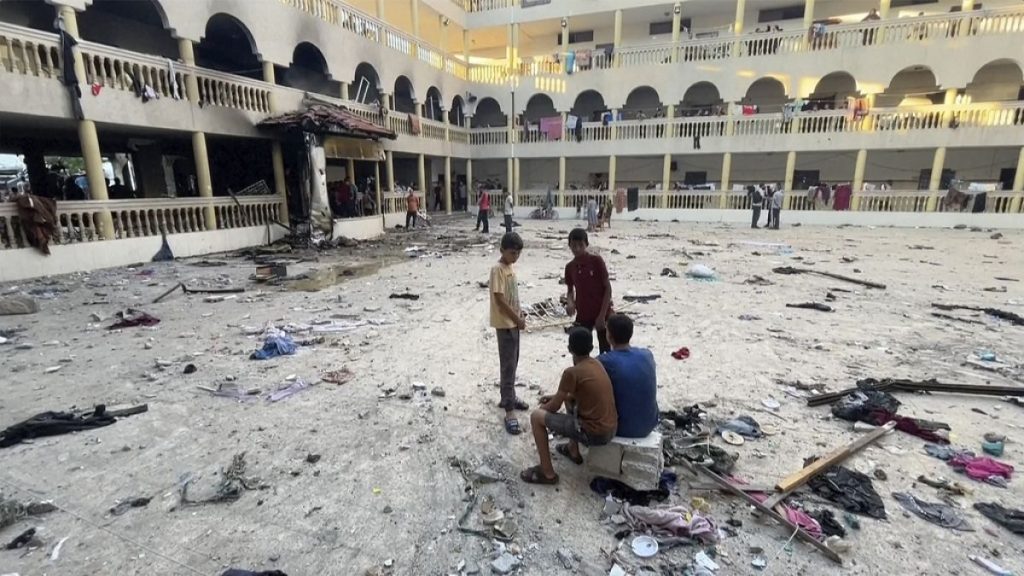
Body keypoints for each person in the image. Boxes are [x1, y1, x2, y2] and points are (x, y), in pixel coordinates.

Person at [520, 326, 617, 484]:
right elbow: (575, 394)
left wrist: (542, 410)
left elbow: (553, 408)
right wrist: (557, 396)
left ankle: (547, 473)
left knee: (536, 417)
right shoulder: (597, 364)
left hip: (593, 433)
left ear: (570, 349)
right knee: (568, 399)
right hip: (611, 428)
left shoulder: (571, 372)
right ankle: (573, 450)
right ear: (591, 348)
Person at [490, 232, 527, 435]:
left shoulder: (510, 267)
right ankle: (509, 410)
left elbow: (512, 297)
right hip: (505, 325)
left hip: (513, 323)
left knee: (513, 363)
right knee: (508, 366)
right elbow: (501, 300)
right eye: (513, 253)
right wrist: (516, 319)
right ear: (502, 250)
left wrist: (520, 314)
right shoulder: (498, 269)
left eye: (518, 253)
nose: (515, 257)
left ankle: (510, 396)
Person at [598, 314, 659, 438]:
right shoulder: (647, 354)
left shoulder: (604, 361)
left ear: (609, 336)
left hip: (623, 428)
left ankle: (573, 446)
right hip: (650, 423)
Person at [565, 228, 613, 354]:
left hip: (602, 310)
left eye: (580, 245)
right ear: (569, 246)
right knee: (580, 349)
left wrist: (602, 315)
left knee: (605, 350)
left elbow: (607, 288)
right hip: (583, 313)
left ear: (586, 244)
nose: (577, 249)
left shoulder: (596, 261)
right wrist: (570, 303)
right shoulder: (570, 267)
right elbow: (570, 289)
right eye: (574, 246)